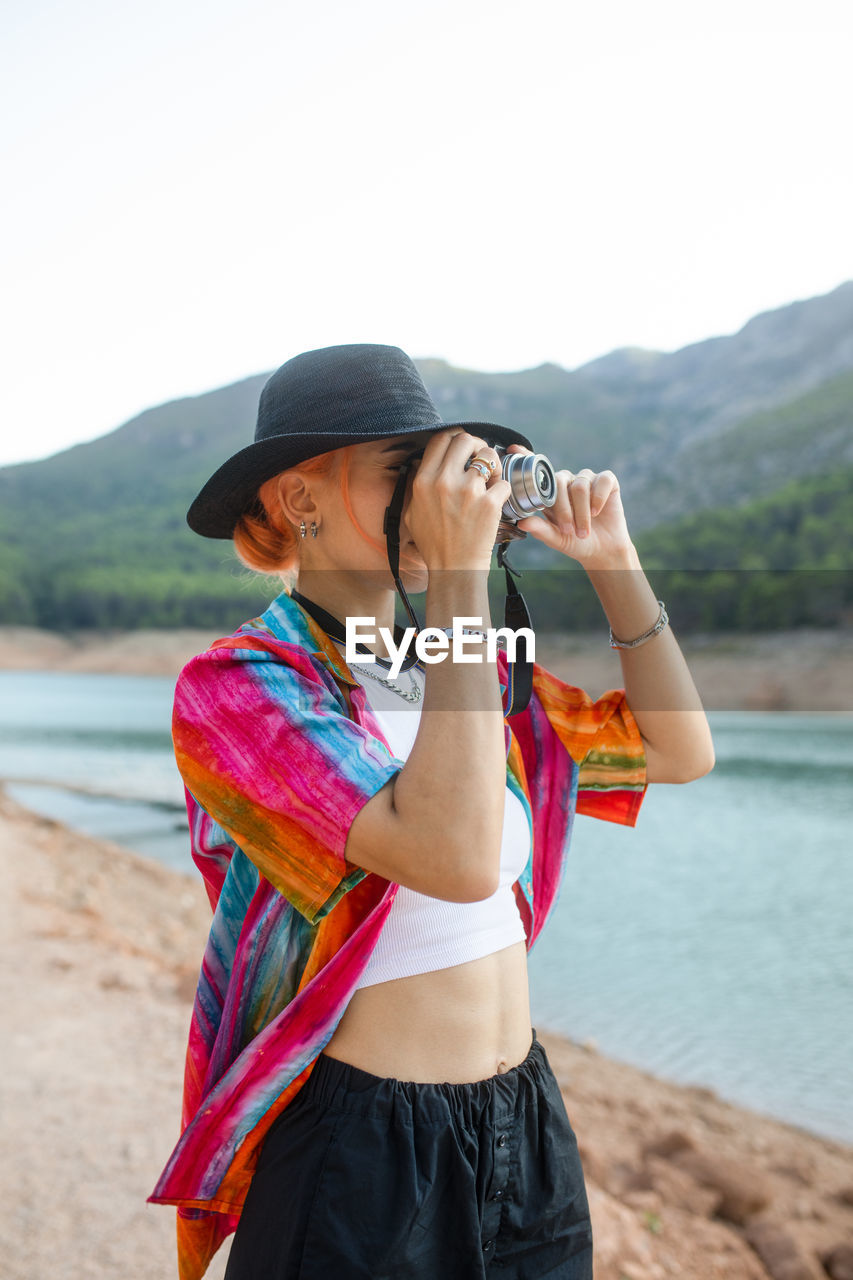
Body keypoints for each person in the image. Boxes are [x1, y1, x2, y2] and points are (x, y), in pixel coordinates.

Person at [149, 344, 714, 1280]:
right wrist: (457, 580)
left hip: (522, 1121)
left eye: (438, 471)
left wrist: (615, 562)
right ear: (300, 499)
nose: (437, 497)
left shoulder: (467, 672)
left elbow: (676, 750)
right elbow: (451, 857)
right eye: (400, 471)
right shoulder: (240, 686)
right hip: (362, 1148)